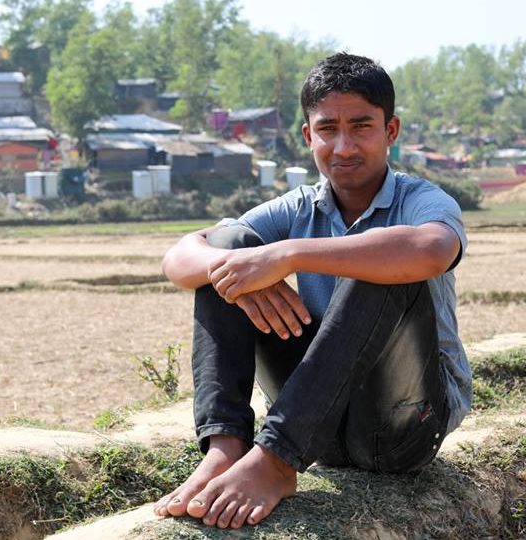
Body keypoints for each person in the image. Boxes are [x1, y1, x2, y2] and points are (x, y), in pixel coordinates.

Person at [152, 52, 472, 530]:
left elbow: (432, 250)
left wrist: (288, 255)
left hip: (402, 427)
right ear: (308, 136)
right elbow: (179, 258)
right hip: (317, 425)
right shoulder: (299, 206)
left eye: (361, 127)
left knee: (380, 261)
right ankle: (227, 448)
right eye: (328, 129)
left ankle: (275, 462)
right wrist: (239, 271)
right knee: (229, 249)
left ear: (391, 131)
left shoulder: (422, 200)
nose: (344, 146)